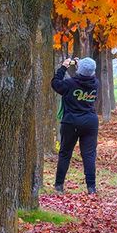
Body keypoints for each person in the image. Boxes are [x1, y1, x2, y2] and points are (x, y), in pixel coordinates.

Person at [51, 57, 99, 195]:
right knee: (89, 155)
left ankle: (59, 185)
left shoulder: (69, 84)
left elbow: (55, 83)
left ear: (80, 70)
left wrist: (63, 67)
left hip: (71, 122)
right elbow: (85, 76)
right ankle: (91, 188)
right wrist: (81, 66)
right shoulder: (95, 83)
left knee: (65, 153)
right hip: (90, 122)